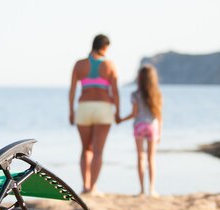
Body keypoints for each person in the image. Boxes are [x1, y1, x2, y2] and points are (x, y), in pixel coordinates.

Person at [69, 34, 120, 195]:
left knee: (86, 149)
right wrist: (118, 111)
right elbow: (115, 91)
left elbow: (72, 90)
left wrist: (71, 111)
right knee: (98, 151)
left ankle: (85, 186)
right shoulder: (110, 65)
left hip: (84, 107)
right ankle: (93, 188)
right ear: (104, 47)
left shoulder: (79, 65)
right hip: (103, 108)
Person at [118, 65, 163, 197]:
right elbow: (159, 116)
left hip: (139, 127)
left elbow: (134, 114)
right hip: (152, 127)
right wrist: (160, 132)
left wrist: (121, 120)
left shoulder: (135, 94)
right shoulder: (157, 95)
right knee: (151, 158)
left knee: (140, 157)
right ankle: (152, 189)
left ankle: (142, 189)